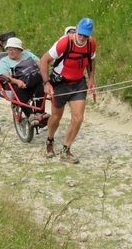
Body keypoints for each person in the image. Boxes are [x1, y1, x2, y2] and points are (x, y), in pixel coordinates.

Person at [39, 17, 97, 164]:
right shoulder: (65, 42)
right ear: (76, 28)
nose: (83, 38)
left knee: (78, 118)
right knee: (56, 116)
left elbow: (91, 60)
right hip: (60, 83)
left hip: (78, 84)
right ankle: (50, 140)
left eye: (86, 35)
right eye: (81, 34)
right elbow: (43, 60)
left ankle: (66, 149)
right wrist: (46, 83)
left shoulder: (91, 44)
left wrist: (91, 78)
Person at [0, 37, 49, 126]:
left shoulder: (27, 54)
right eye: (8, 50)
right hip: (16, 84)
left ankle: (39, 113)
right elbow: (5, 75)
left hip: (31, 82)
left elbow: (40, 64)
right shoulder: (4, 61)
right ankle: (30, 116)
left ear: (20, 50)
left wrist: (46, 76)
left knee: (43, 82)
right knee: (16, 89)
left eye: (13, 49)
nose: (10, 52)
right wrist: (17, 81)